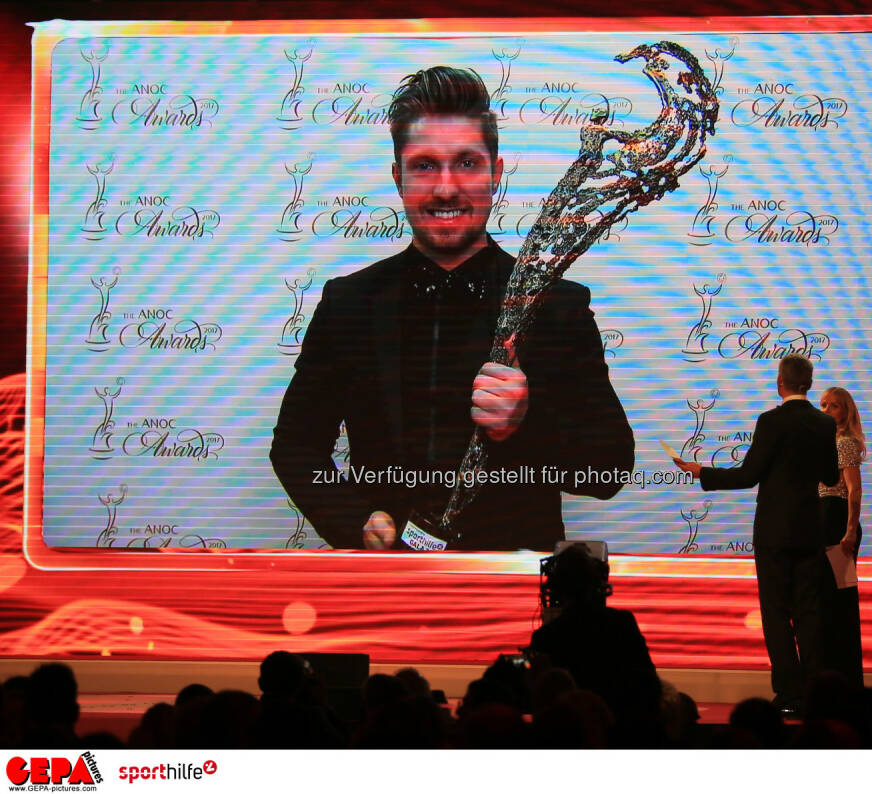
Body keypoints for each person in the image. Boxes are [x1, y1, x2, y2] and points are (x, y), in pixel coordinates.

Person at [270, 66, 634, 551]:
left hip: (517, 591)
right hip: (386, 590)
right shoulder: (349, 304)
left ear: (495, 173)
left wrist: (528, 421)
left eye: (466, 163)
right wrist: (353, 519)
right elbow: (295, 447)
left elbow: (608, 470)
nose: (445, 188)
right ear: (398, 176)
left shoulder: (558, 306)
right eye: (424, 165)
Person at [676, 354, 839, 715]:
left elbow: (749, 476)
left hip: (775, 533)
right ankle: (816, 696)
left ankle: (789, 695)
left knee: (777, 614)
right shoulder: (825, 424)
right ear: (808, 384)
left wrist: (702, 472)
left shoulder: (770, 421)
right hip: (810, 532)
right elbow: (830, 476)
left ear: (780, 382)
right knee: (809, 614)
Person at [527, 544, 662, 746]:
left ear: (555, 588)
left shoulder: (546, 637)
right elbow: (650, 686)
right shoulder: (622, 623)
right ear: (597, 584)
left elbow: (540, 705)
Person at [818, 386, 865, 688]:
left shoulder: (845, 442)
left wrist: (849, 531)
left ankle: (846, 680)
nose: (826, 410)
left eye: (833, 406)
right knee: (824, 603)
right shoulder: (823, 442)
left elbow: (854, 489)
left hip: (838, 522)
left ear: (846, 412)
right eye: (822, 405)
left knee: (841, 602)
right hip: (822, 520)